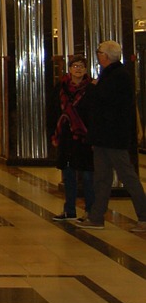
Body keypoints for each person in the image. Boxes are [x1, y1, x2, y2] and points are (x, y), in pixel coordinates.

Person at [78, 41, 146, 231]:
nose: (98, 55)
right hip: (102, 137)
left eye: (99, 52)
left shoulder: (118, 76)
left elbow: (103, 101)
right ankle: (97, 216)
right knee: (102, 178)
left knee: (128, 176)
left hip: (113, 138)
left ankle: (144, 216)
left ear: (105, 56)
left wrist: (92, 87)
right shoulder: (109, 75)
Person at [49, 55, 95, 220]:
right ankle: (70, 209)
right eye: (75, 66)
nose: (78, 69)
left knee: (88, 175)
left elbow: (95, 114)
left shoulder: (91, 88)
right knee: (68, 174)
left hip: (85, 138)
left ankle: (90, 210)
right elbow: (53, 111)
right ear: (69, 69)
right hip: (66, 137)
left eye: (81, 66)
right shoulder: (60, 88)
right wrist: (54, 133)